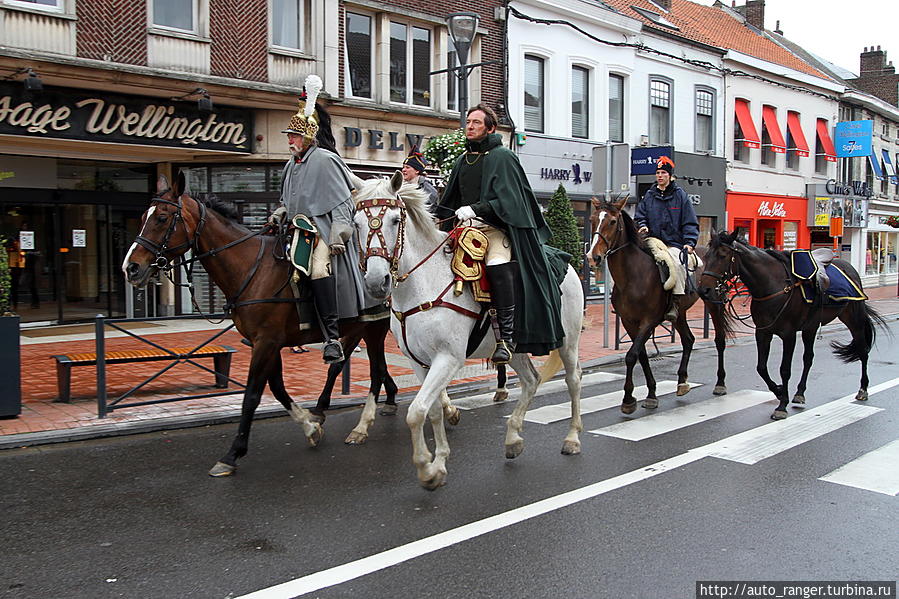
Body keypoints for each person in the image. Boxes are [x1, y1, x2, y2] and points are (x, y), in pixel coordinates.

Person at [437, 104, 568, 363]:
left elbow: (511, 201)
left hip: (496, 230)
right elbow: (448, 200)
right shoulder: (464, 159)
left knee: (496, 265)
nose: (470, 126)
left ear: (490, 128)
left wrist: (476, 208)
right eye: (469, 122)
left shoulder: (502, 156)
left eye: (476, 122)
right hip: (465, 229)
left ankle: (505, 339)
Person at [267, 74, 371, 364]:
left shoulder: (325, 159)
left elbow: (342, 205)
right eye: (289, 135)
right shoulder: (292, 164)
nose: (290, 140)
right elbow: (287, 202)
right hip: (295, 231)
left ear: (308, 136)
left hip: (322, 232)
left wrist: (338, 234)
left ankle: (332, 337)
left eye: (294, 135)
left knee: (317, 268)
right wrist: (279, 214)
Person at [634, 156, 701, 322]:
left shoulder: (681, 197)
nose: (660, 176)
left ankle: (675, 303)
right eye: (658, 173)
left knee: (676, 264)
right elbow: (640, 216)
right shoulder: (649, 196)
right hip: (653, 240)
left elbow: (690, 222)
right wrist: (642, 225)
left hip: (674, 243)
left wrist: (689, 243)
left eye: (663, 172)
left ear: (670, 176)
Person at [401, 146, 438, 213]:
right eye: (403, 167)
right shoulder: (401, 185)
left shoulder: (426, 187)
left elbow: (430, 208)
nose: (403, 170)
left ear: (417, 171)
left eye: (407, 167)